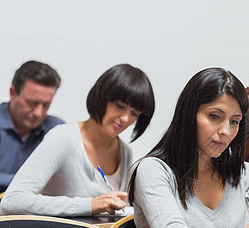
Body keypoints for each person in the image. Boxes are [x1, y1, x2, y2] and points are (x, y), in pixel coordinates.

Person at [128, 67, 249, 228]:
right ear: (189, 115)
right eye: (215, 116)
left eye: (234, 121)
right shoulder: (154, 170)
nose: (226, 131)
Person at [0, 64, 155, 217]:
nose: (125, 119)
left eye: (134, 114)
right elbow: (12, 201)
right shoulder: (63, 138)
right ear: (102, 97)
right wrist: (90, 205)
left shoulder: (124, 152)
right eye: (120, 106)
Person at [0, 60, 63, 192]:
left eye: (46, 105)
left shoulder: (57, 130)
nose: (38, 113)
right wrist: (30, 182)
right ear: (12, 93)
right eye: (31, 103)